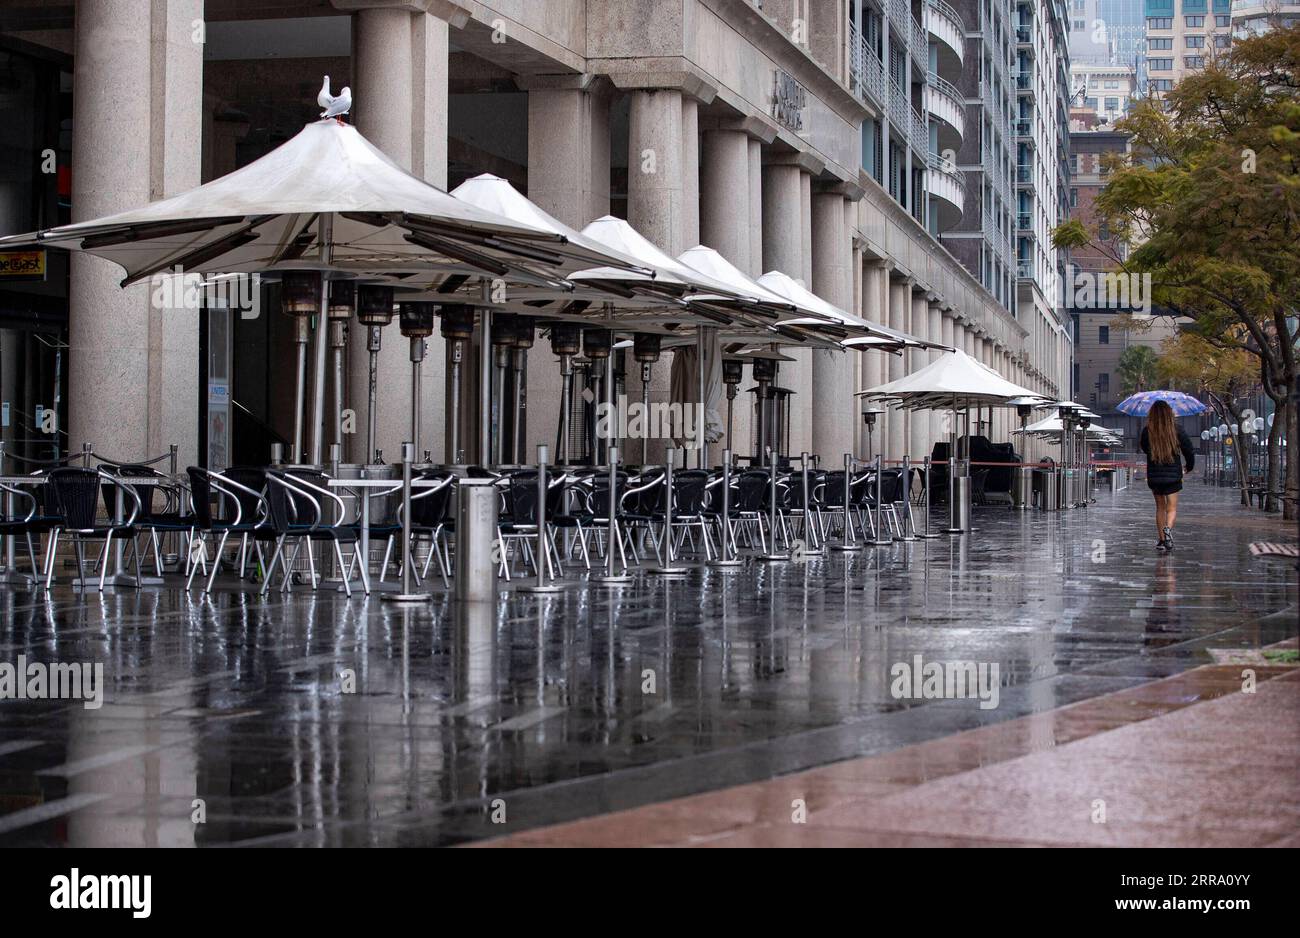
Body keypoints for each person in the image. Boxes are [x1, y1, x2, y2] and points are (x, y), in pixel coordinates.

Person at [1139, 400, 1195, 552]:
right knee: (1171, 508)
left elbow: (1144, 448)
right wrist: (1189, 466)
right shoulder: (1177, 430)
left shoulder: (1147, 430)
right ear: (1169, 414)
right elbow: (1189, 450)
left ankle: (1162, 540)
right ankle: (1168, 530)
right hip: (1173, 475)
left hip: (1155, 475)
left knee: (1160, 508)